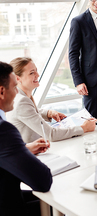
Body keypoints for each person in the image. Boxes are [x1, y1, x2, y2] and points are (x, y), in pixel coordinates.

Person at [0, 61, 52, 216]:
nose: (17, 92)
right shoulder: (4, 130)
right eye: (15, 87)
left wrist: (24, 149)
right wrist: (23, 151)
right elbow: (43, 181)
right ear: (2, 92)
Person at [7, 57, 96, 143]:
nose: (37, 75)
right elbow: (51, 134)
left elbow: (29, 112)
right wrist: (83, 128)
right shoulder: (21, 101)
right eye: (31, 73)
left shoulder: (19, 96)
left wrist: (48, 113)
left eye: (36, 71)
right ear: (17, 78)